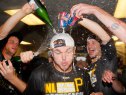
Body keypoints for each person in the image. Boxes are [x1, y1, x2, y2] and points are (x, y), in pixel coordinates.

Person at [23, 33, 96, 95]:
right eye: (58, 52)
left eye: (68, 51)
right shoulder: (39, 74)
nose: (64, 57)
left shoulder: (83, 75)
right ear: (52, 53)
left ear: (74, 51)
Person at [78, 17, 118, 95]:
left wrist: (77, 19)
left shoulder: (107, 57)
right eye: (88, 43)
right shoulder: (89, 67)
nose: (89, 46)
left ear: (101, 46)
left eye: (93, 42)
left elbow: (105, 38)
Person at [0, 3, 34, 95]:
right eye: (12, 42)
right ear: (4, 43)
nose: (15, 45)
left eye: (17, 43)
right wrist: (23, 12)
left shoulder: (17, 62)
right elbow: (1, 34)